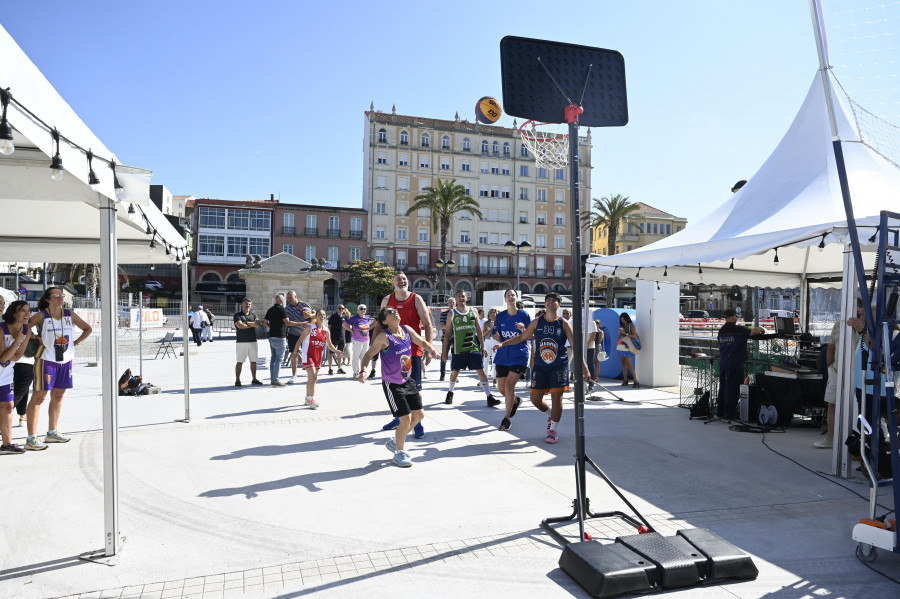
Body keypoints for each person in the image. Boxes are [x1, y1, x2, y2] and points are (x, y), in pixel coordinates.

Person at [494, 292, 584, 444]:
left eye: (554, 300)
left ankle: (553, 430)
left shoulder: (564, 324)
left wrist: (585, 367)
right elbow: (522, 337)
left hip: (559, 365)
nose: (550, 302)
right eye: (548, 300)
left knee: (557, 398)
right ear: (545, 304)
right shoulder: (537, 322)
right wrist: (503, 343)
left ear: (559, 305)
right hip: (540, 366)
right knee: (535, 399)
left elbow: (576, 346)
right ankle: (551, 414)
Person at [357, 306, 439, 468]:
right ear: (385, 320)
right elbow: (368, 355)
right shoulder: (383, 337)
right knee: (405, 419)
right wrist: (363, 370)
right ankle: (399, 453)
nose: (395, 311)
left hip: (407, 380)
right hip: (392, 384)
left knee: (419, 416)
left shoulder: (406, 330)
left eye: (395, 309)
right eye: (390, 311)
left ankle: (395, 442)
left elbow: (421, 341)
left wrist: (432, 350)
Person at [25, 287, 93, 450]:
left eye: (62, 296)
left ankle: (52, 432)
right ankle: (31, 438)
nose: (61, 298)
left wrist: (76, 343)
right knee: (39, 396)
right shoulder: (42, 315)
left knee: (59, 396)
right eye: (57, 296)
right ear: (48, 299)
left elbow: (88, 329)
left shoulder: (69, 314)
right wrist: (36, 337)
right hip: (46, 359)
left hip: (66, 360)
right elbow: (24, 328)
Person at [376, 272, 433, 435]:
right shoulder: (387, 300)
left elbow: (427, 324)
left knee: (414, 387)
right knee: (395, 387)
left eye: (404, 279)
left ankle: (417, 423)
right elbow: (380, 324)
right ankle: (399, 417)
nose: (402, 281)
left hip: (412, 351)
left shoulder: (416, 298)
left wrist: (428, 349)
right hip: (391, 353)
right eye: (398, 279)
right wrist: (374, 349)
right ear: (393, 283)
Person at [815, 300, 864, 448]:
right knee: (832, 404)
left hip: (858, 373)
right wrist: (830, 367)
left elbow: (873, 343)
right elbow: (831, 347)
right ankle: (831, 438)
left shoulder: (868, 325)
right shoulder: (838, 325)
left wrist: (860, 328)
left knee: (858, 406)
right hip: (837, 371)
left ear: (860, 309)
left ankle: (859, 443)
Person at [442, 290, 499, 407]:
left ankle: (489, 397)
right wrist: (444, 352)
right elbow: (447, 333)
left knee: (481, 371)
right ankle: (450, 392)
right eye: (459, 297)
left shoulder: (473, 311)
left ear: (466, 298)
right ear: (456, 299)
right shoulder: (452, 314)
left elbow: (479, 330)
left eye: (463, 296)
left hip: (473, 347)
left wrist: (483, 346)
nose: (461, 298)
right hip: (459, 348)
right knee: (455, 372)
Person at [492, 289, 531, 431]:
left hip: (519, 355)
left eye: (513, 295)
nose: (510, 297)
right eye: (508, 295)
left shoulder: (524, 315)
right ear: (505, 299)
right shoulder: (501, 316)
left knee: (509, 386)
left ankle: (506, 418)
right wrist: (495, 335)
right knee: (502, 389)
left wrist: (524, 330)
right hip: (502, 355)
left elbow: (531, 334)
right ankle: (515, 400)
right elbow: (495, 331)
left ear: (516, 298)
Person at [716, 308, 765, 419]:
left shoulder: (721, 331)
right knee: (734, 388)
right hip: (736, 363)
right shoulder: (738, 329)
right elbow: (754, 332)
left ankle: (720, 411)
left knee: (723, 387)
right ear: (733, 317)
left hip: (724, 363)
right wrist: (761, 328)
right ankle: (730, 413)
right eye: (736, 316)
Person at [1, 300, 32, 454]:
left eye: (28, 310)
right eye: (23, 310)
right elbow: (3, 358)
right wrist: (18, 340)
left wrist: (9, 353)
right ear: (13, 313)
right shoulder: (1, 329)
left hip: (5, 375)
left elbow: (17, 356)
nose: (27, 313)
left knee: (7, 406)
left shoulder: (27, 330)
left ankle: (6, 445)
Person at [297, 309, 343, 409]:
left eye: (324, 315)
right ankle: (312, 399)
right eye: (320, 315)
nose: (322, 316)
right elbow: (300, 340)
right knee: (313, 376)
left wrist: (336, 351)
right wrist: (295, 354)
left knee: (312, 378)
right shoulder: (310, 328)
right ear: (316, 317)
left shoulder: (326, 330)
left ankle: (307, 398)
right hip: (308, 355)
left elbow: (329, 345)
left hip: (318, 356)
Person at [263, 293, 305, 387]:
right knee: (278, 360)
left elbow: (265, 322)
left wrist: (272, 327)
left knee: (273, 358)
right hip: (280, 337)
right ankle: (276, 380)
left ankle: (272, 379)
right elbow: (288, 322)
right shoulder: (282, 310)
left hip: (271, 337)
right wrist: (301, 323)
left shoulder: (270, 309)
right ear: (282, 301)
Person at [233, 298, 265, 387]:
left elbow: (258, 324)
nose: (248, 306)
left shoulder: (253, 314)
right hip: (241, 342)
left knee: (253, 361)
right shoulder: (237, 315)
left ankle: (254, 379)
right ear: (242, 305)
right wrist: (252, 324)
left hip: (253, 341)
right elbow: (240, 326)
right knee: (240, 362)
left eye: (249, 304)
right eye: (246, 304)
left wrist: (246, 323)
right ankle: (237, 380)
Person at [284, 291, 312, 384]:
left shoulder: (304, 305)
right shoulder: (286, 309)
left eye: (291, 297)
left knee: (307, 355)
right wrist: (301, 323)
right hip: (293, 334)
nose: (289, 299)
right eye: (288, 298)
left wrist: (309, 315)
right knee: (294, 354)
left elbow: (315, 313)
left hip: (306, 333)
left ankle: (310, 374)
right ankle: (294, 376)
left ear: (296, 296)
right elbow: (287, 323)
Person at [343, 304, 372, 377]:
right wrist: (351, 331)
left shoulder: (367, 318)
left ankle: (362, 372)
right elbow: (344, 324)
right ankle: (356, 372)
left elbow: (370, 326)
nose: (363, 310)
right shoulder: (354, 318)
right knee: (356, 357)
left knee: (364, 357)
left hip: (366, 340)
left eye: (364, 309)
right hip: (357, 340)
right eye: (361, 309)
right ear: (358, 310)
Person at [617, 313, 642, 388]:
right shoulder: (622, 326)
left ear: (627, 318)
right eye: (621, 319)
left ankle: (636, 381)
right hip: (621, 346)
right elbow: (620, 337)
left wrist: (625, 333)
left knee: (629, 364)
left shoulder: (631, 325)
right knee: (624, 364)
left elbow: (634, 336)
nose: (623, 320)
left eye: (624, 319)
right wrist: (620, 333)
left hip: (628, 346)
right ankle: (625, 380)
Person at [438, 297, 456, 381]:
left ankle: (454, 375)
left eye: (453, 302)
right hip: (446, 337)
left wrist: (448, 327)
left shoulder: (458, 314)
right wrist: (451, 327)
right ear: (448, 303)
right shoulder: (444, 314)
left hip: (456, 338)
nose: (452, 304)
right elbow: (442, 325)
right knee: (444, 356)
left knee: (456, 357)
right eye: (450, 302)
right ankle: (442, 374)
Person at [327, 305, 347, 375]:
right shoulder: (333, 317)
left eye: (342, 308)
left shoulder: (345, 317)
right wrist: (329, 336)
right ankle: (330, 369)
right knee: (331, 354)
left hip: (342, 338)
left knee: (340, 354)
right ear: (337, 309)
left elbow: (347, 326)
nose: (341, 309)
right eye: (339, 308)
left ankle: (339, 368)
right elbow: (329, 327)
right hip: (333, 338)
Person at [482, 308, 499, 384]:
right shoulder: (486, 323)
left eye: (494, 312)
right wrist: (490, 328)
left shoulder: (499, 322)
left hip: (496, 341)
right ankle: (484, 377)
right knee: (486, 359)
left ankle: (494, 378)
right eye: (491, 312)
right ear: (489, 314)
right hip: (488, 341)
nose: (493, 314)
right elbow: (483, 334)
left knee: (495, 360)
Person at [585, 316, 600, 390]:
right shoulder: (579, 322)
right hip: (580, 347)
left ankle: (591, 384)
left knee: (590, 364)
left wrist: (587, 344)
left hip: (590, 347)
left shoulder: (592, 323)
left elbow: (593, 335)